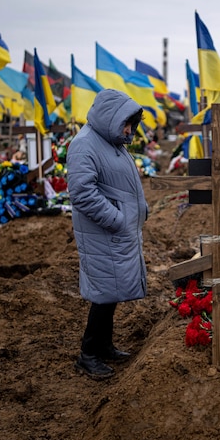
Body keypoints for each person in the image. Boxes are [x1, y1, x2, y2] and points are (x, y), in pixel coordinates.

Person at [66, 89, 148, 380]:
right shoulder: (85, 145)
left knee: (110, 293)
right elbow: (82, 193)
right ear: (111, 118)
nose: (129, 130)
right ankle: (88, 355)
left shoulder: (111, 143)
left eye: (132, 124)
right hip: (103, 234)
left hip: (115, 234)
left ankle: (104, 345)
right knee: (102, 295)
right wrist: (117, 219)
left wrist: (138, 211)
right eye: (127, 123)